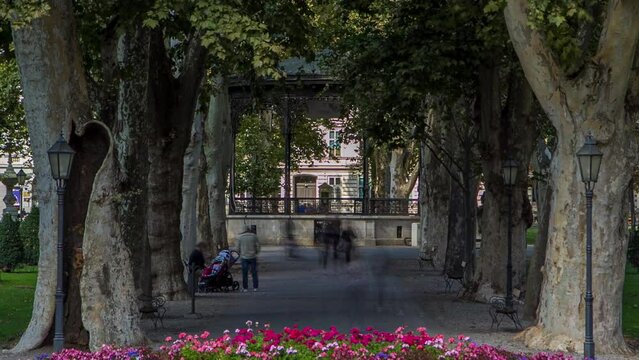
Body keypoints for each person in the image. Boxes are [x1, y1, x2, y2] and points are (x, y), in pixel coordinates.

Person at [236, 226, 261, 292]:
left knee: (245, 273)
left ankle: (245, 288)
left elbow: (237, 248)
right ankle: (255, 287)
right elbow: (258, 246)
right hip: (253, 256)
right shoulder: (254, 236)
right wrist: (256, 252)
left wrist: (240, 253)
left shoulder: (240, 237)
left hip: (244, 257)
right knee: (254, 272)